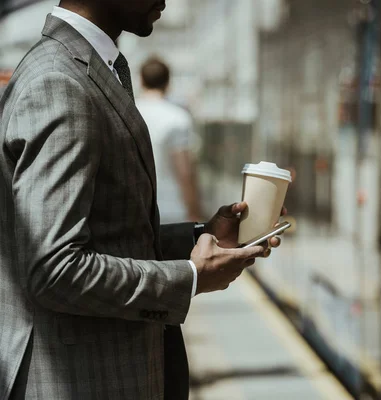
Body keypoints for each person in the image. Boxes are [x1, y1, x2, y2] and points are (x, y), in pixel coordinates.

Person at [0, 1, 283, 399]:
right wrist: (191, 277)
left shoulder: (83, 68)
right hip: (81, 382)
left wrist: (203, 235)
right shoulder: (58, 82)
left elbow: (108, 233)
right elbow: (55, 270)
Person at [137, 57, 203, 223]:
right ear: (168, 82)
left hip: (136, 209)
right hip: (171, 210)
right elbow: (185, 171)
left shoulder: (126, 112)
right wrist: (194, 210)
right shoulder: (177, 118)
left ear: (141, 80)